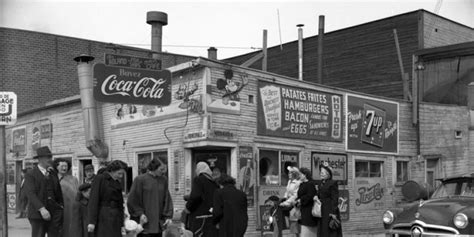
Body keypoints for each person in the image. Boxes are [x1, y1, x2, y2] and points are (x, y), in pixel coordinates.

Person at [23, 146, 64, 237]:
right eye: (47, 157)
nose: (50, 159)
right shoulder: (31, 174)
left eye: (50, 157)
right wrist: (42, 209)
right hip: (37, 214)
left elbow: (58, 192)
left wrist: (61, 208)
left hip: (54, 214)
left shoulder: (53, 173)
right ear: (40, 159)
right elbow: (31, 194)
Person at [127, 158, 174, 237]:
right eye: (161, 169)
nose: (163, 171)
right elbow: (133, 199)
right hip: (145, 222)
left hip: (158, 223)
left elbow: (167, 199)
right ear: (154, 167)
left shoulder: (163, 180)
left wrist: (168, 216)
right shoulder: (140, 179)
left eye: (165, 169)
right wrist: (140, 213)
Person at [88, 160, 128, 237]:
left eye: (122, 174)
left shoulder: (117, 182)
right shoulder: (100, 178)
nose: (121, 176)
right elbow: (93, 200)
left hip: (115, 217)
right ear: (112, 171)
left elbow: (120, 204)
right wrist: (92, 222)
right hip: (103, 216)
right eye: (119, 173)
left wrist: (121, 223)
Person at [185, 162, 219, 237]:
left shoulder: (199, 180)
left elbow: (195, 196)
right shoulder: (214, 182)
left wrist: (188, 207)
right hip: (211, 217)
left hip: (199, 218)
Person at [55, 158, 79, 237]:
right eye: (62, 166)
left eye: (66, 166)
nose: (64, 168)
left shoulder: (74, 179)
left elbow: (78, 193)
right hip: (61, 209)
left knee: (73, 228)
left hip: (73, 208)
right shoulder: (54, 179)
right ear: (56, 167)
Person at [318, 163, 343, 237]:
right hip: (322, 209)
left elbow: (335, 198)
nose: (321, 174)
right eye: (321, 172)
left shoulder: (333, 183)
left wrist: (333, 212)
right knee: (322, 229)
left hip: (329, 210)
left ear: (328, 174)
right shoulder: (321, 183)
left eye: (323, 173)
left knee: (330, 230)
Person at [280, 166, 302, 236]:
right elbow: (287, 191)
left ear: (294, 174)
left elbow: (295, 195)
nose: (288, 174)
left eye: (290, 173)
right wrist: (284, 198)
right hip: (289, 205)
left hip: (295, 205)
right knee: (292, 225)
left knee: (296, 225)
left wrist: (286, 203)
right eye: (288, 173)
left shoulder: (297, 183)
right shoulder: (289, 181)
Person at [297, 167, 319, 236]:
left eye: (300, 174)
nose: (299, 176)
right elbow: (299, 195)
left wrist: (301, 200)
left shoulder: (310, 184)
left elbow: (310, 196)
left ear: (305, 175)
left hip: (309, 212)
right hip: (303, 211)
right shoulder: (301, 184)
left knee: (308, 232)